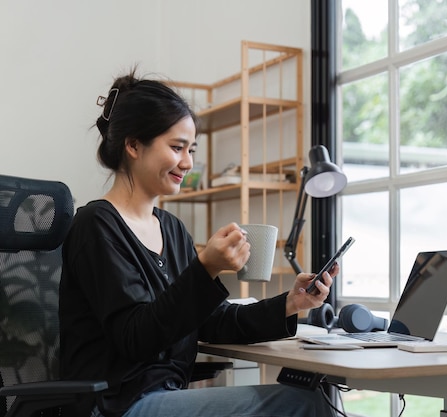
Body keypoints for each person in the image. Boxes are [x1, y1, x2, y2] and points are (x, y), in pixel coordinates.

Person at [59, 69, 338, 417]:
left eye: (190, 149)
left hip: (162, 397)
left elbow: (212, 321)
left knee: (314, 395)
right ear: (132, 145)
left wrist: (289, 304)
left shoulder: (172, 230)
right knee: (303, 402)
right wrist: (205, 268)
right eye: (177, 148)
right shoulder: (96, 226)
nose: (187, 163)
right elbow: (135, 338)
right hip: (118, 404)